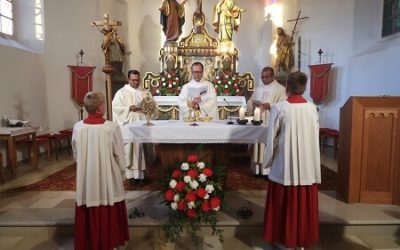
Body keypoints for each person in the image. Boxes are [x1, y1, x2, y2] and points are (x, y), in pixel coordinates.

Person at [263, 71, 321, 249]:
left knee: (283, 202)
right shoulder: (312, 108)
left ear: (287, 87)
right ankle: (301, 240)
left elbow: (272, 137)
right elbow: (314, 135)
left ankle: (284, 240)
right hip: (307, 166)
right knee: (303, 203)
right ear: (304, 87)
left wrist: (268, 161)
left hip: (285, 165)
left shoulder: (280, 108)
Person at [72, 91, 129, 250]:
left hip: (87, 178)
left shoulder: (78, 127)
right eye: (104, 104)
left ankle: (89, 242)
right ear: (99, 109)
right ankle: (110, 242)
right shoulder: (111, 127)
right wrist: (122, 173)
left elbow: (76, 153)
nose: (105, 106)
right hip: (108, 179)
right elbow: (119, 155)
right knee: (109, 197)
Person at [247, 67, 286, 176]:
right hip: (258, 120)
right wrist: (253, 105)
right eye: (262, 77)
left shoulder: (280, 89)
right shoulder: (259, 89)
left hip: (270, 122)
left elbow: (283, 105)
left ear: (273, 76)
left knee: (267, 145)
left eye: (266, 77)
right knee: (257, 144)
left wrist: (270, 106)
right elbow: (250, 101)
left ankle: (267, 171)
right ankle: (257, 170)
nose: (264, 79)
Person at [112, 70, 149, 185]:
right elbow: (115, 107)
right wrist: (129, 108)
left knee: (142, 149)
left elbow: (152, 108)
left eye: (137, 79)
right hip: (129, 125)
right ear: (128, 80)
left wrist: (146, 108)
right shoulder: (121, 92)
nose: (136, 82)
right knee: (130, 150)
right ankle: (131, 176)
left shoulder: (145, 92)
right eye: (133, 80)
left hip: (142, 123)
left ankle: (142, 176)